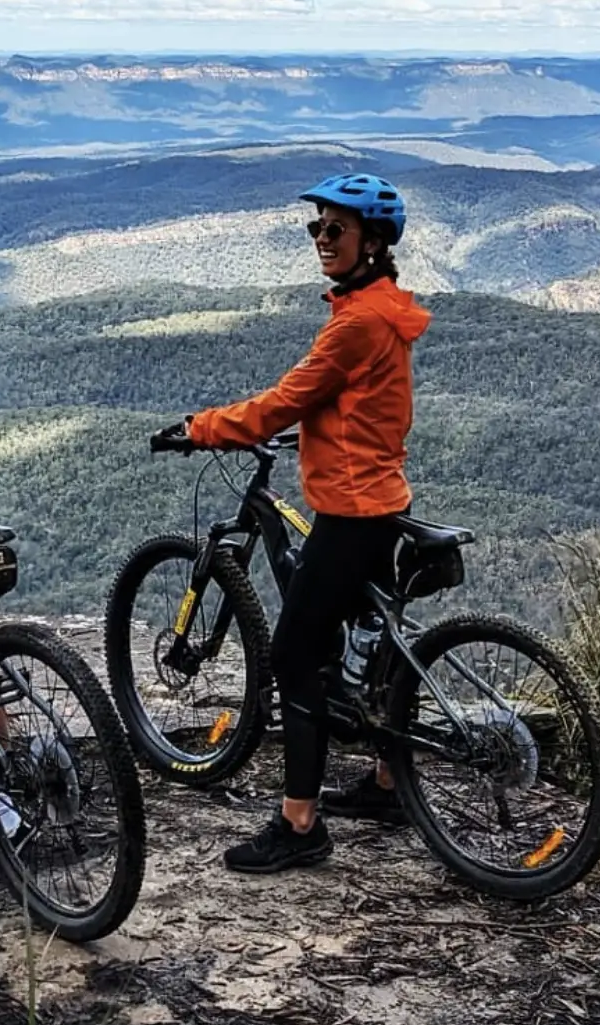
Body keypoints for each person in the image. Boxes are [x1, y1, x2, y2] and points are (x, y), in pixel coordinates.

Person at [182, 171, 430, 874]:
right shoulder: (383, 307)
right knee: (371, 649)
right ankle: (387, 783)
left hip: (351, 513)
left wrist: (201, 427)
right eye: (316, 228)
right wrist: (325, 428)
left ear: (374, 242)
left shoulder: (356, 322)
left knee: (295, 657)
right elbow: (357, 405)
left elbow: (283, 402)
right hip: (383, 499)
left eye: (335, 230)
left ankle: (300, 824)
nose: (321, 240)